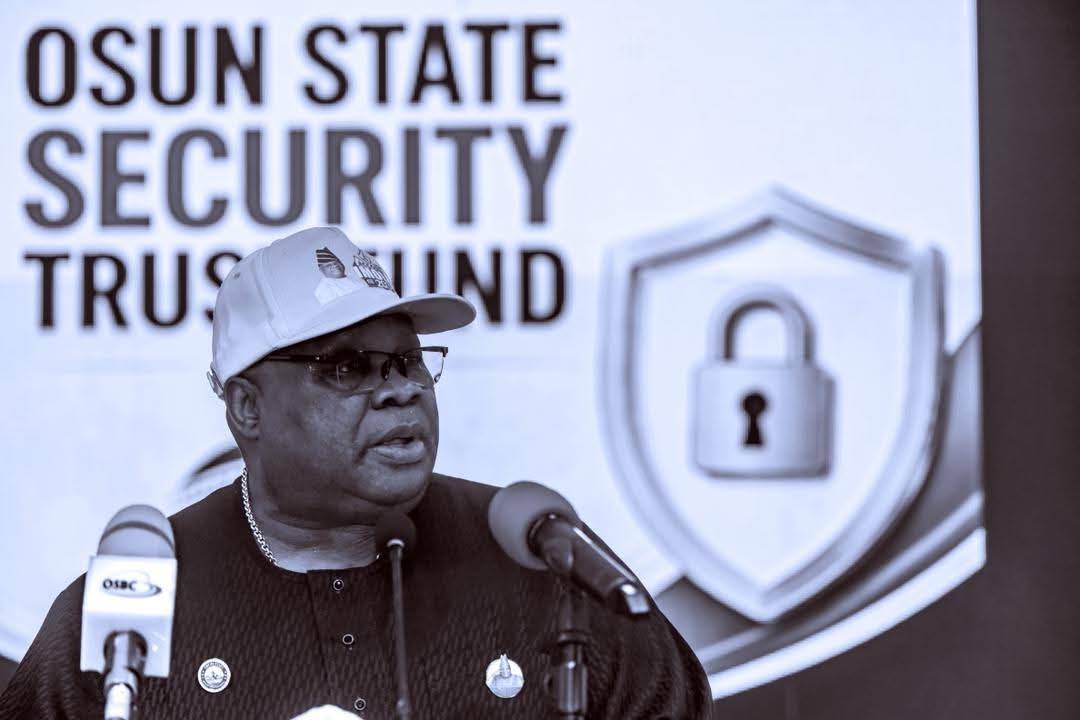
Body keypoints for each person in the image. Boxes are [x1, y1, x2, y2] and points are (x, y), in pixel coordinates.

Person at [0, 227, 712, 719]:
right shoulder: (139, 596)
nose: (401, 390)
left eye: (407, 361)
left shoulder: (538, 558)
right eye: (346, 367)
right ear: (247, 407)